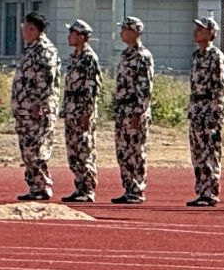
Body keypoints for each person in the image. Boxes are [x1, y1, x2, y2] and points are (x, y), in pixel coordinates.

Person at [9, 11, 61, 202]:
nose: (22, 31)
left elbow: (46, 81)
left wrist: (39, 104)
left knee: (36, 150)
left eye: (25, 27)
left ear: (33, 29)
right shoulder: (32, 49)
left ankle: (42, 186)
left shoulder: (44, 50)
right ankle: (35, 187)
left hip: (37, 110)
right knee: (28, 150)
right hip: (25, 110)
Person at [110, 14, 153, 205]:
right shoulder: (125, 55)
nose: (121, 32)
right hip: (123, 110)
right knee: (123, 151)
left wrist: (139, 112)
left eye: (125, 29)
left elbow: (145, 87)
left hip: (135, 110)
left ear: (135, 32)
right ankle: (129, 187)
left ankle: (137, 190)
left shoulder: (143, 56)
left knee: (135, 151)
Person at [59, 18, 103, 204]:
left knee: (84, 149)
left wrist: (87, 113)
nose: (69, 36)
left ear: (82, 37)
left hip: (82, 110)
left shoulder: (89, 58)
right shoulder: (74, 57)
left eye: (73, 33)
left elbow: (92, 88)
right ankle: (79, 187)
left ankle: (88, 188)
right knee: (73, 151)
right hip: (71, 109)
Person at [187, 15, 224, 208]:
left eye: (201, 29)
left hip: (209, 111)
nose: (196, 32)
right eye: (196, 28)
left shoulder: (216, 56)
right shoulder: (197, 56)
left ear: (211, 33)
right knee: (197, 154)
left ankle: (210, 192)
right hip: (196, 110)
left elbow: (220, 88)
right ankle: (201, 191)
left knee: (209, 153)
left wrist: (216, 113)